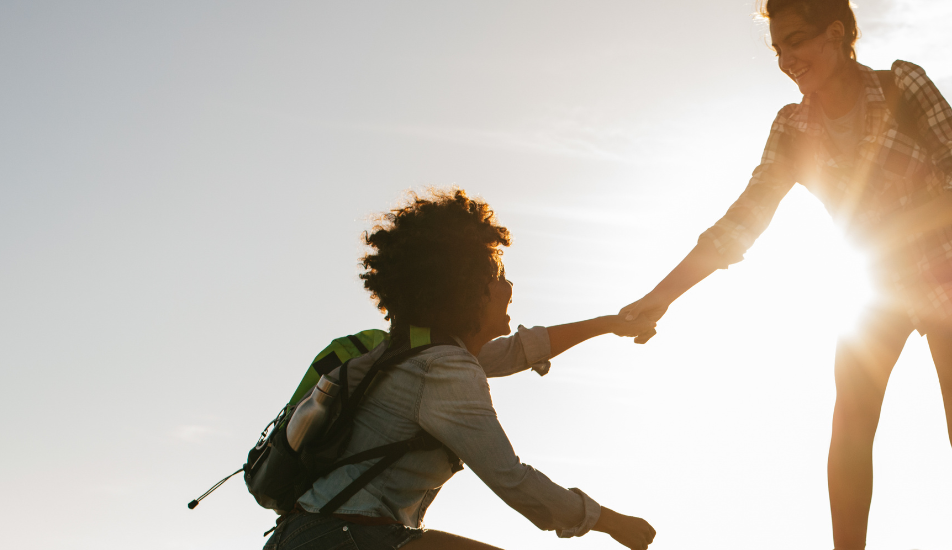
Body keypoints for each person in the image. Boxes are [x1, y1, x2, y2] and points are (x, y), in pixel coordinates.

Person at [614, 0, 952, 547]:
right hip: (875, 289)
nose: (787, 58)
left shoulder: (903, 86)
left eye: (796, 41)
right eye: (779, 48)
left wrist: (899, 228)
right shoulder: (792, 127)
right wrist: (662, 296)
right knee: (850, 429)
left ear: (836, 34)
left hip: (951, 275)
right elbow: (743, 220)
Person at [264, 189, 659, 550]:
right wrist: (609, 521)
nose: (509, 288)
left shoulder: (418, 353)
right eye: (498, 277)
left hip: (311, 535)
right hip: (344, 537)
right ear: (470, 291)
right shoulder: (443, 368)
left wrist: (609, 323)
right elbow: (511, 478)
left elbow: (518, 351)